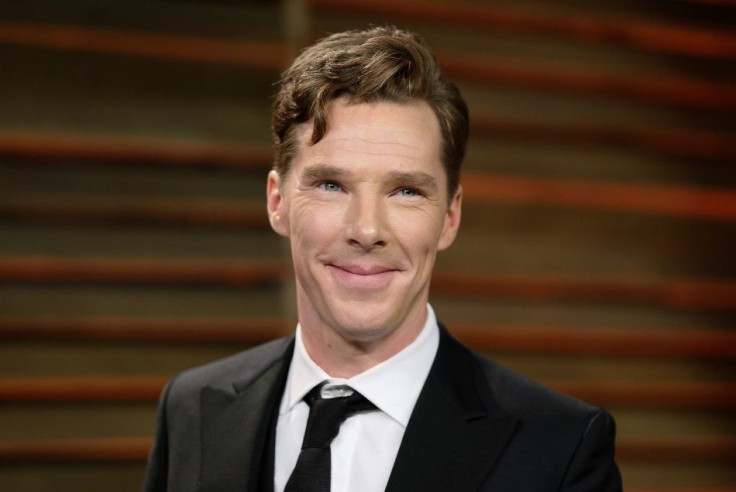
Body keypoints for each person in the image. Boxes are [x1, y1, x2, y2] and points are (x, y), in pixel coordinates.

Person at [144, 26, 622, 491]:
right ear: (277, 201)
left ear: (450, 217)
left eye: (406, 191)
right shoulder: (190, 410)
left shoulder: (560, 450)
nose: (367, 230)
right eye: (331, 185)